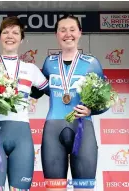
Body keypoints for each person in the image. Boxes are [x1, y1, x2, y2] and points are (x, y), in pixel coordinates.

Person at [0, 16, 49, 190]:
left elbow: (55, 93)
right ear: (0, 37)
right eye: (6, 32)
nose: (10, 36)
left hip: (21, 136)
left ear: (22, 39)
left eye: (15, 32)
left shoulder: (31, 70)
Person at [39, 14, 108, 191]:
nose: (67, 34)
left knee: (84, 189)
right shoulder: (49, 63)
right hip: (53, 131)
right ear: (56, 34)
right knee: (54, 188)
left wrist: (90, 110)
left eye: (72, 29)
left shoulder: (92, 63)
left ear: (80, 33)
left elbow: (106, 99)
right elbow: (39, 90)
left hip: (83, 129)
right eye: (62, 30)